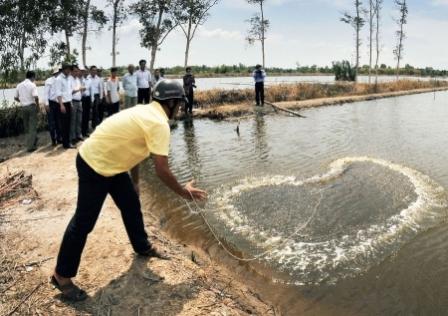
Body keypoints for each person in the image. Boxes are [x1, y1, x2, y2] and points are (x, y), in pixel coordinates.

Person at [51, 79, 207, 301]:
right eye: (180, 103)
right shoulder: (159, 123)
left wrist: (134, 182)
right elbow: (162, 170)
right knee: (83, 222)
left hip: (112, 163)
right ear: (171, 102)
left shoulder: (145, 111)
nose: (181, 107)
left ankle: (142, 246)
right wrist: (184, 192)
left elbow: (131, 146)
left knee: (131, 204)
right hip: (94, 164)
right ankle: (61, 276)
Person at [14, 71, 40, 152]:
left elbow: (15, 98)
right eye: (34, 77)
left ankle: (32, 142)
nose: (34, 79)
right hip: (31, 107)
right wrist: (38, 106)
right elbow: (36, 97)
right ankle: (31, 147)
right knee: (32, 126)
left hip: (23, 107)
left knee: (27, 127)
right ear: (32, 77)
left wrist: (22, 101)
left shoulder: (19, 85)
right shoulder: (32, 85)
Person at [54, 64, 75, 149]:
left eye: (70, 70)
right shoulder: (59, 79)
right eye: (68, 70)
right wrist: (61, 105)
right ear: (64, 69)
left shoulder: (68, 78)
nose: (70, 71)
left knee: (68, 123)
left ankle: (67, 142)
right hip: (62, 104)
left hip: (68, 103)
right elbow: (58, 93)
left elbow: (69, 92)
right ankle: (66, 144)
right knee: (64, 124)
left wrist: (71, 103)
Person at [44, 66, 61, 146]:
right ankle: (53, 140)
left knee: (58, 122)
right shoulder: (49, 81)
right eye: (58, 72)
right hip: (51, 103)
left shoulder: (61, 80)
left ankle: (59, 138)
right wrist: (46, 104)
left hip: (58, 103)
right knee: (52, 123)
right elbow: (46, 93)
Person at [70, 65, 85, 143]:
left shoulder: (78, 80)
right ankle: (73, 137)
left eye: (77, 71)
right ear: (71, 71)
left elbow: (79, 90)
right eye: (75, 71)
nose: (77, 72)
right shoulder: (69, 80)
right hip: (73, 101)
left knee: (79, 119)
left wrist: (82, 90)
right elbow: (70, 92)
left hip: (79, 101)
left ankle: (79, 135)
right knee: (73, 120)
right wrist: (79, 89)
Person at [81, 68, 92, 137]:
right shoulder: (80, 80)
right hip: (82, 98)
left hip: (88, 98)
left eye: (86, 71)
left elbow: (90, 90)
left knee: (87, 115)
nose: (85, 73)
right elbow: (82, 89)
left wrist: (91, 99)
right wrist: (84, 88)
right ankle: (82, 132)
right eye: (84, 72)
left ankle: (86, 131)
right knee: (83, 115)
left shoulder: (89, 80)